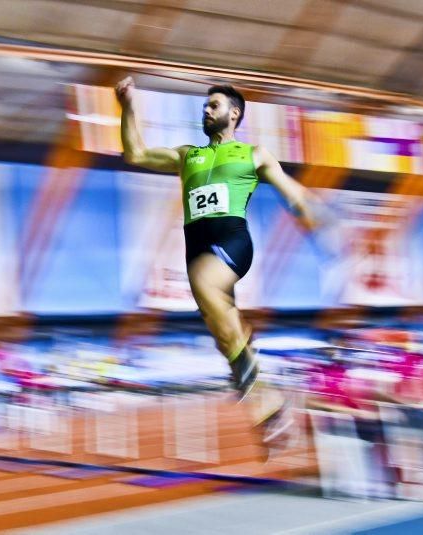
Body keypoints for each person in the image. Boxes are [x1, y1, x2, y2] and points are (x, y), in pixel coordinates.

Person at [115, 77, 334, 451]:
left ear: (234, 113)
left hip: (231, 240)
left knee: (206, 284)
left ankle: (253, 365)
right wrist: (128, 106)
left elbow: (291, 190)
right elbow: (135, 154)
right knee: (224, 337)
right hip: (195, 245)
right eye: (204, 106)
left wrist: (317, 215)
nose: (206, 110)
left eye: (213, 105)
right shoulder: (187, 156)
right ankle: (271, 409)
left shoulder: (254, 154)